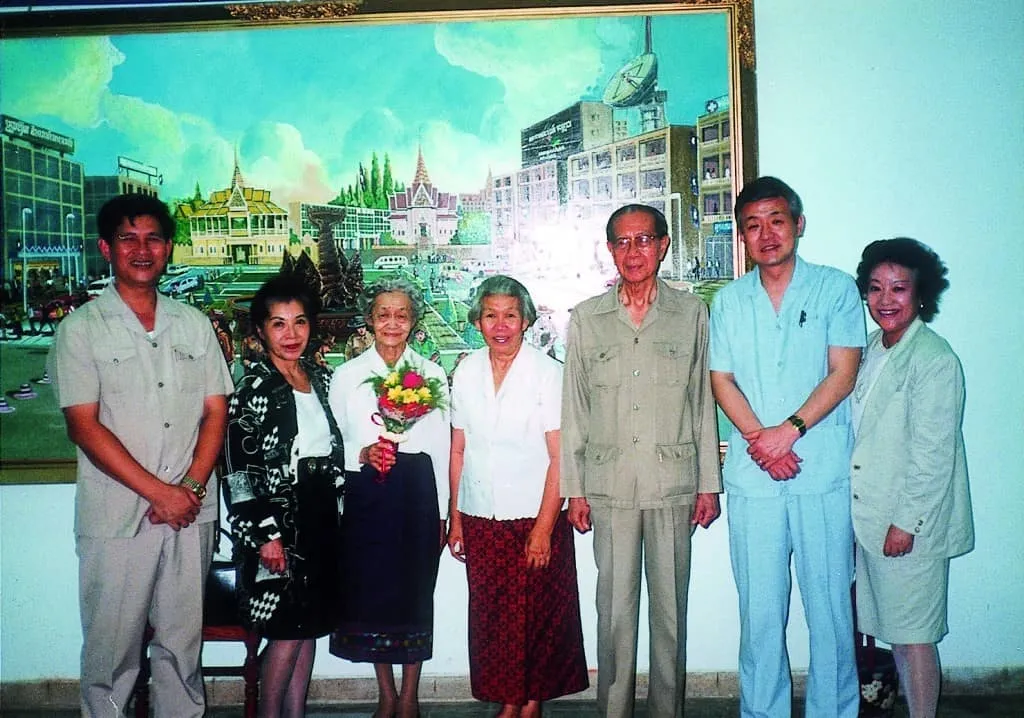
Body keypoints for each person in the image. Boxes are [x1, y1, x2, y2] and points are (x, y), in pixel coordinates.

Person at [47, 194, 233, 717]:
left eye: (153, 238)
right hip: (117, 517)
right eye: (128, 238)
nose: (142, 249)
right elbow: (83, 426)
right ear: (107, 248)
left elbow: (215, 412)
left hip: (189, 513)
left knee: (181, 648)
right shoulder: (80, 329)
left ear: (169, 248)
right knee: (112, 652)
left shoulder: (193, 324)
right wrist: (161, 494)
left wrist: (190, 490)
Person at [709, 176, 864, 718]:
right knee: (760, 614)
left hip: (820, 472)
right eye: (753, 225)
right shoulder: (728, 302)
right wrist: (759, 439)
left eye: (776, 220)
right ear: (742, 236)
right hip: (754, 479)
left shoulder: (835, 288)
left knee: (830, 614)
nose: (766, 233)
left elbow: (843, 373)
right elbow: (721, 379)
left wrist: (788, 431)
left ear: (798, 224)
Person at [561, 204, 722, 718]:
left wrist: (708, 485)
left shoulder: (690, 313)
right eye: (623, 242)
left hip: (672, 484)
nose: (634, 252)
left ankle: (666, 712)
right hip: (609, 489)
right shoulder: (587, 318)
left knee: (671, 612)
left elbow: (702, 401)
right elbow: (575, 408)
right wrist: (575, 489)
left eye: (644, 240)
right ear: (610, 250)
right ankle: (614, 712)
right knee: (614, 612)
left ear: (664, 244)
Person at [448, 276, 588, 717]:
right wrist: (455, 520)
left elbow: (560, 457)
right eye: (491, 315)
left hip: (533, 517)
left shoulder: (548, 374)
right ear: (478, 321)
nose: (501, 324)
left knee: (536, 619)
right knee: (495, 621)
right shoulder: (466, 371)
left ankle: (527, 705)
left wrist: (545, 528)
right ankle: (513, 701)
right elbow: (458, 449)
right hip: (480, 516)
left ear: (526, 320)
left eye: (510, 314)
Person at [851, 238, 973, 718]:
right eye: (876, 288)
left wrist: (906, 524)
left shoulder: (935, 358)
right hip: (873, 516)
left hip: (910, 527)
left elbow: (933, 454)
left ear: (921, 294)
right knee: (898, 634)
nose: (886, 299)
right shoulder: (874, 348)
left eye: (899, 288)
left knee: (916, 638)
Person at [223, 273, 346, 718]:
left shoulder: (322, 379)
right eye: (278, 324)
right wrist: (265, 536)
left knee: (308, 626)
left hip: (320, 516)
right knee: (286, 630)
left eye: (299, 322)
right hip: (278, 523)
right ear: (260, 330)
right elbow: (238, 473)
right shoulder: (251, 389)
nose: (291, 334)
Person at [327, 277, 450, 718]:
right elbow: (335, 440)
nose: (392, 323)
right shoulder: (346, 375)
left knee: (416, 591)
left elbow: (440, 447)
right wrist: (362, 453)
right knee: (373, 592)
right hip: (367, 493)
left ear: (414, 321)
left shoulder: (432, 375)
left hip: (417, 492)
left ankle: (411, 696)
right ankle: (385, 693)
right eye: (383, 315)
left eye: (401, 314)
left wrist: (443, 514)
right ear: (369, 321)